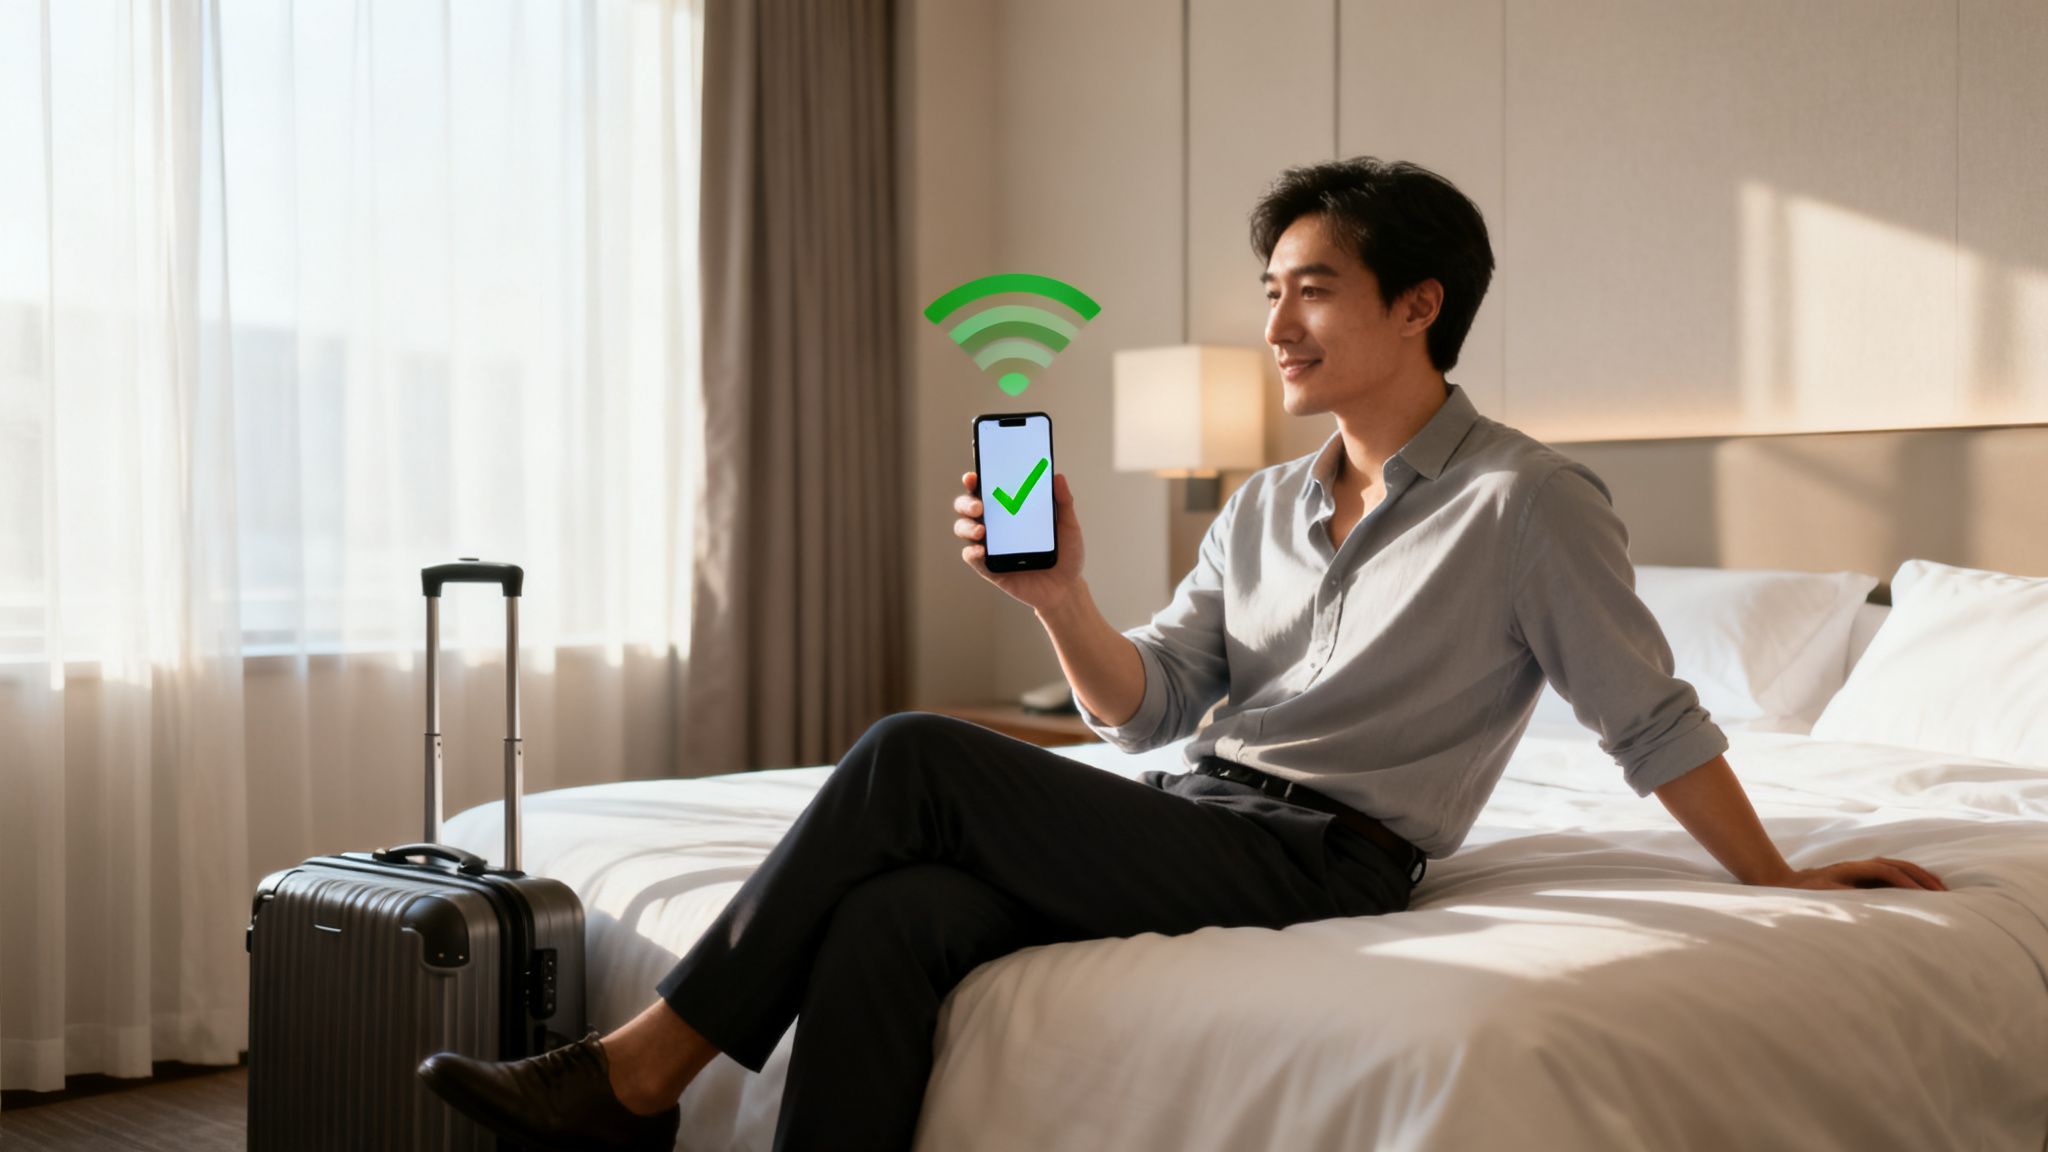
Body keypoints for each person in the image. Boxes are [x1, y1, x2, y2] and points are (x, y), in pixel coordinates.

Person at [415, 157, 1948, 1152]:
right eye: (1269, 287)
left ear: (1419, 306)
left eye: (1313, 288)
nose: (1277, 323)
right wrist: (1061, 600)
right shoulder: (1268, 501)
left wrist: (1783, 879)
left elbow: (1647, 715)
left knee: (906, 754)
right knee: (894, 914)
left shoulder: (1528, 500)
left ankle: (637, 1075)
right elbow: (1154, 711)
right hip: (1197, 808)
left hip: (1325, 853)